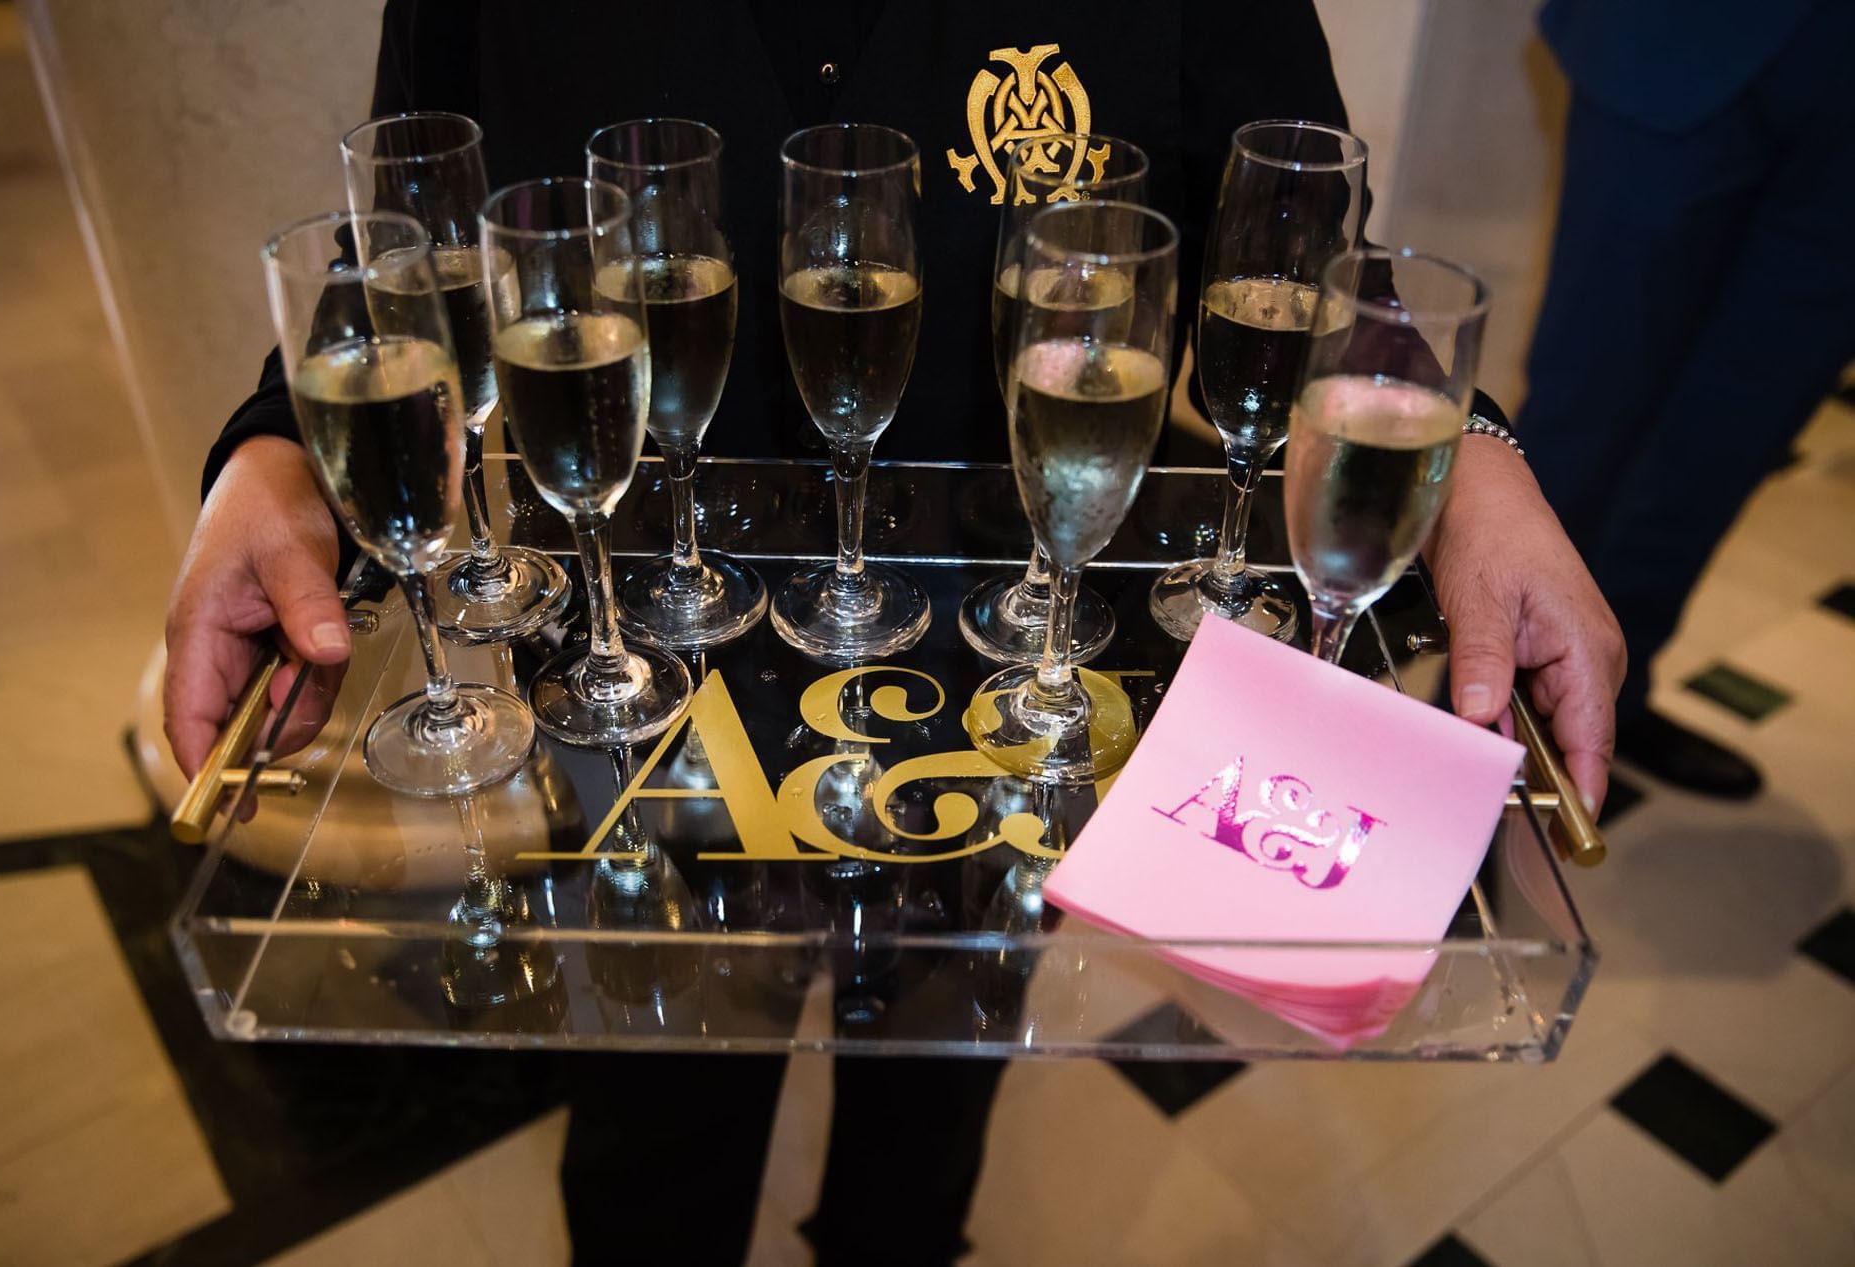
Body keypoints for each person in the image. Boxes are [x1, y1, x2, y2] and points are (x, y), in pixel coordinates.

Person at [163, 4, 1626, 1262]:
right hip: (630, 671)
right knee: (649, 1138)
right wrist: (275, 452)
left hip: (1007, 678)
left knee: (926, 1129)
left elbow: (1306, 258)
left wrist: (1477, 451)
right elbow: (403, 241)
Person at [1520, 0, 1854, 799]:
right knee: (1586, 399)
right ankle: (1478, 724)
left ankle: (1615, 686)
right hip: (1681, 32)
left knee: (1737, 426)